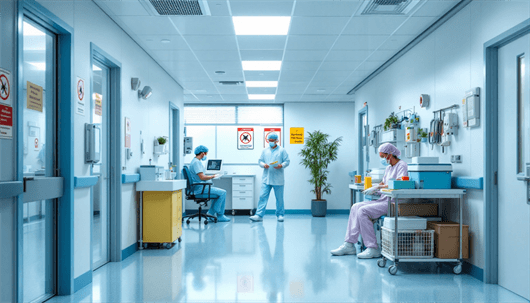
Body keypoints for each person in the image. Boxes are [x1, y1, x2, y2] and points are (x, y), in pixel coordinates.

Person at [330, 142, 408, 259]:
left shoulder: (401, 165)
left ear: (390, 154)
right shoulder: (388, 168)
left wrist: (378, 187)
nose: (382, 159)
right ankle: (349, 244)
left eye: (383, 156)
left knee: (363, 211)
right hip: (383, 199)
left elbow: (399, 183)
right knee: (355, 206)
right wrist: (375, 187)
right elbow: (384, 183)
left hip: (393, 202)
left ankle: (372, 248)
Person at [250, 133, 290, 222]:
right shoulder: (265, 151)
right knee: (262, 197)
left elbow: (287, 161)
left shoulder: (282, 150)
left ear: (277, 141)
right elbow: (260, 161)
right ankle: (259, 215)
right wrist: (263, 165)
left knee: (279, 198)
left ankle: (280, 215)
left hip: (278, 178)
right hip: (266, 178)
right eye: (269, 140)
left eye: (272, 141)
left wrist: (281, 165)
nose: (270, 142)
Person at [188, 145, 230, 222]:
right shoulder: (196, 163)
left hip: (199, 187)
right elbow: (202, 177)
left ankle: (211, 213)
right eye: (206, 153)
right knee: (223, 193)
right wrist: (213, 176)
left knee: (218, 194)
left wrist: (210, 176)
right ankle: (219, 215)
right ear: (203, 153)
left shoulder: (194, 161)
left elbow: (201, 176)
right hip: (200, 188)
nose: (206, 155)